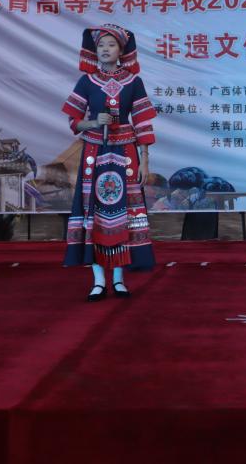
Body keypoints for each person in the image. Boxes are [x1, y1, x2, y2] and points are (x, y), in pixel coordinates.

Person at [62, 25, 156, 300]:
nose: (105, 49)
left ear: (121, 51)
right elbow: (74, 121)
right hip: (95, 150)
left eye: (111, 45)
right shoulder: (87, 81)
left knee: (125, 211)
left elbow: (143, 122)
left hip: (126, 151)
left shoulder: (133, 82)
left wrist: (145, 161)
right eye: (101, 45)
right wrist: (94, 122)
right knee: (94, 211)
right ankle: (98, 280)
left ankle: (118, 279)